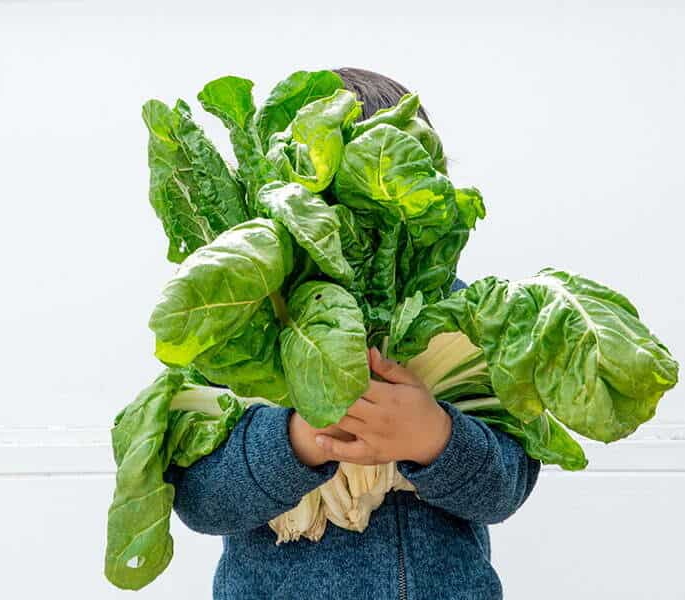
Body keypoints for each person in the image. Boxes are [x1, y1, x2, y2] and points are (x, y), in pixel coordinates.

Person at [163, 67, 540, 600]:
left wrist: (434, 437)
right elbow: (199, 500)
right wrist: (301, 440)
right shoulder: (234, 317)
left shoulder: (463, 319)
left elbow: (506, 488)